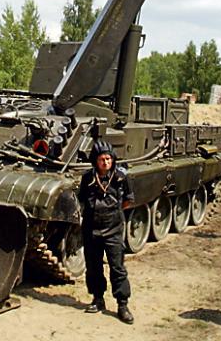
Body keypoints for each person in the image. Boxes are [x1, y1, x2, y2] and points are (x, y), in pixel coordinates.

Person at [78, 139, 135, 324]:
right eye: (102, 159)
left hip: (113, 229)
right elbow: (82, 200)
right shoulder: (88, 178)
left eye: (108, 159)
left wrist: (114, 214)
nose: (105, 162)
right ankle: (98, 299)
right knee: (93, 267)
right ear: (95, 160)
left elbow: (128, 200)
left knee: (117, 268)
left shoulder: (121, 177)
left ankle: (122, 305)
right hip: (91, 229)